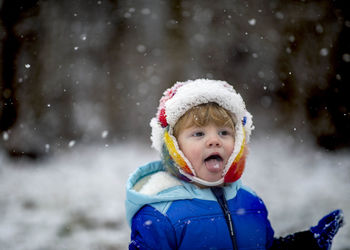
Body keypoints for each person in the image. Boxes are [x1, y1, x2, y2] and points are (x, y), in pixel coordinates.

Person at [125, 79, 344, 249]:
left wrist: (308, 243)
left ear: (238, 142)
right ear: (173, 147)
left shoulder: (250, 202)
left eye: (224, 132)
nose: (214, 140)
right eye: (198, 133)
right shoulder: (159, 215)